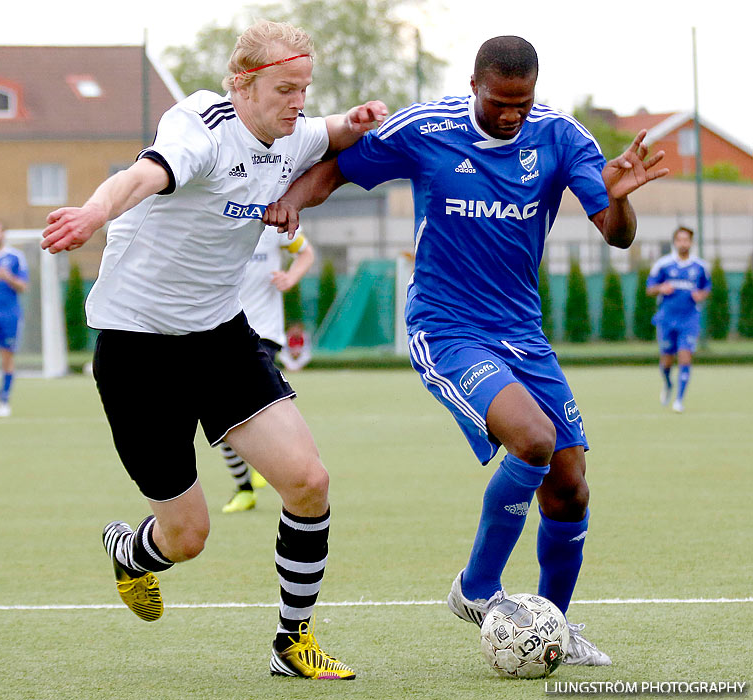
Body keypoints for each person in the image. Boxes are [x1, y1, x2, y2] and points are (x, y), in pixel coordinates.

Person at [263, 35, 669, 666]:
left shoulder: (561, 138)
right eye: (501, 101)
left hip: (523, 335)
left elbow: (616, 237)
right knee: (531, 440)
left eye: (524, 103)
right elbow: (340, 167)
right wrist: (291, 199)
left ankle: (554, 626)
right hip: (447, 329)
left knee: (570, 488)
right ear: (474, 84)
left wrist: (619, 197)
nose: (512, 114)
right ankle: (477, 588)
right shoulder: (427, 128)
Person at [41, 20, 387, 680]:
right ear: (242, 84)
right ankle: (131, 550)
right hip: (138, 351)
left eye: (305, 89)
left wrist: (361, 118)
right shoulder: (201, 125)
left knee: (308, 482)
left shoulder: (294, 130)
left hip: (219, 338)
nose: (298, 102)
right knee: (186, 538)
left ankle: (292, 643)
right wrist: (91, 214)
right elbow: (141, 177)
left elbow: (336, 131)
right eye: (286, 88)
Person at [221, 225, 315, 513]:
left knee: (260, 406)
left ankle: (264, 463)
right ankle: (245, 487)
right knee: (221, 413)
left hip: (265, 332)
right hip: (224, 329)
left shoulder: (274, 228)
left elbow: (306, 254)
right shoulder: (222, 225)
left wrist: (291, 277)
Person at [646, 226, 710, 413]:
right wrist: (661, 288)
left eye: (686, 240)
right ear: (675, 242)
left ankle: (679, 400)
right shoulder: (663, 265)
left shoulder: (700, 267)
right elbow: (649, 289)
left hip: (689, 319)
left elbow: (706, 288)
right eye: (679, 240)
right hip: (666, 318)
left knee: (685, 356)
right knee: (666, 360)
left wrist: (701, 295)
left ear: (691, 242)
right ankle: (667, 384)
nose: (683, 243)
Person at [0, 221, 29, 418]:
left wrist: (8, 277)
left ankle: (5, 400)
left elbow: (24, 286)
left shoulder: (15, 257)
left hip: (8, 315)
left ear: (3, 234)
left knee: (7, 357)